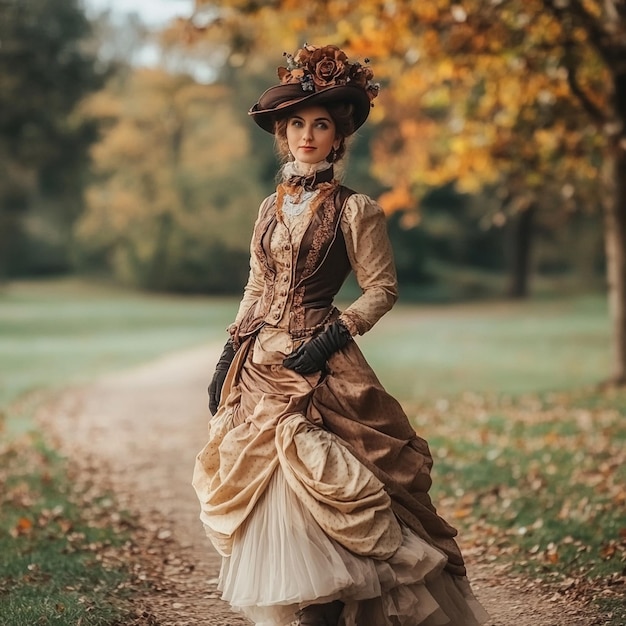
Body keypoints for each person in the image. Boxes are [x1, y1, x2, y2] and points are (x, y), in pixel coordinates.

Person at [192, 43, 489, 626]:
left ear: (338, 136)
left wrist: (332, 337)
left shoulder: (358, 210)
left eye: (320, 125)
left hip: (323, 367)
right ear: (282, 135)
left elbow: (382, 289)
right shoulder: (267, 209)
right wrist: (229, 352)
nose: (307, 135)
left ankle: (325, 611)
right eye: (297, 124)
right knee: (272, 505)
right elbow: (258, 286)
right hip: (260, 368)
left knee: (339, 492)